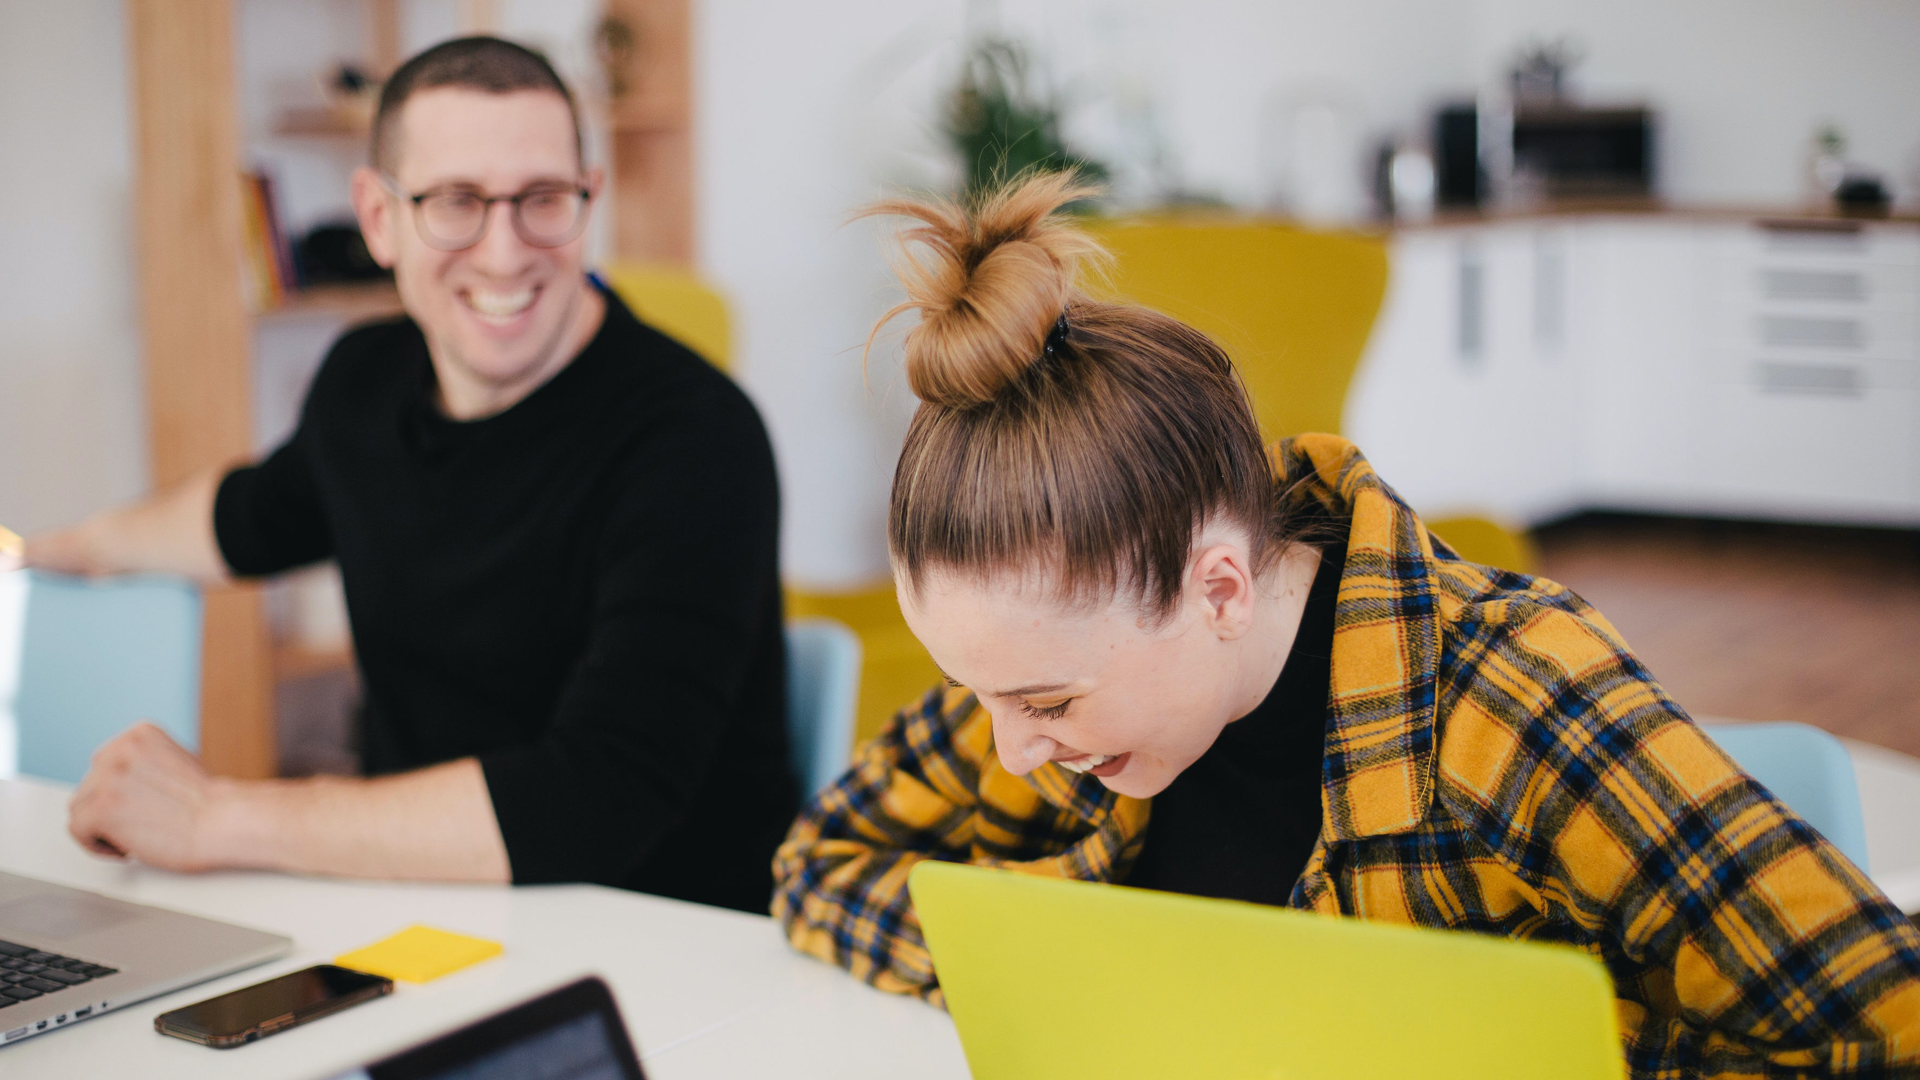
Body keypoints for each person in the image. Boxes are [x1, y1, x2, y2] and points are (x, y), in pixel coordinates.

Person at [771, 172, 1920, 1075]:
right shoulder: (1057, 676)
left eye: (1046, 703)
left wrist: (1498, 1051)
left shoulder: (1514, 699)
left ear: (1218, 590)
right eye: (979, 693)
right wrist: (1078, 968)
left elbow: (1882, 1029)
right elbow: (821, 866)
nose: (1010, 744)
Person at [5, 37, 794, 914]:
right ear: (379, 219)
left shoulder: (695, 439)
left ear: (589, 201)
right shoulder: (364, 382)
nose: (503, 253)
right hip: (414, 908)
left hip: (664, 942)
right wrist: (46, 549)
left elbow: (598, 797)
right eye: (455, 202)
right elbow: (248, 517)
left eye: (541, 200)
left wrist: (218, 817)